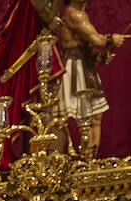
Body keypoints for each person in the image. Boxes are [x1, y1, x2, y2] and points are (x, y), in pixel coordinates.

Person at [54, 0, 127, 155]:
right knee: (63, 119)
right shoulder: (74, 14)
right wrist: (111, 39)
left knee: (95, 117)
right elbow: (96, 40)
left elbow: (83, 44)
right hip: (75, 69)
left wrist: (97, 56)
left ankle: (89, 162)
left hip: (85, 67)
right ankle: (56, 162)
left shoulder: (81, 13)